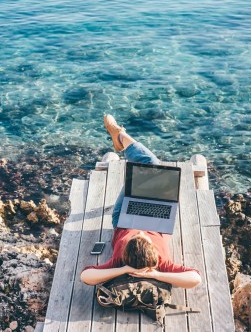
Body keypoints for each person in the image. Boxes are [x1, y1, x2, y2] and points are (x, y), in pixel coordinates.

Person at [79, 115, 201, 289]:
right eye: (145, 238)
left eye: (136, 236)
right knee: (150, 168)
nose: (141, 231)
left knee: (148, 166)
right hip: (157, 217)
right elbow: (195, 278)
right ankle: (121, 139)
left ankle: (120, 136)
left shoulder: (121, 260)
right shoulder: (160, 261)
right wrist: (157, 274)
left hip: (123, 216)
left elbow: (86, 276)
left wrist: (122, 270)